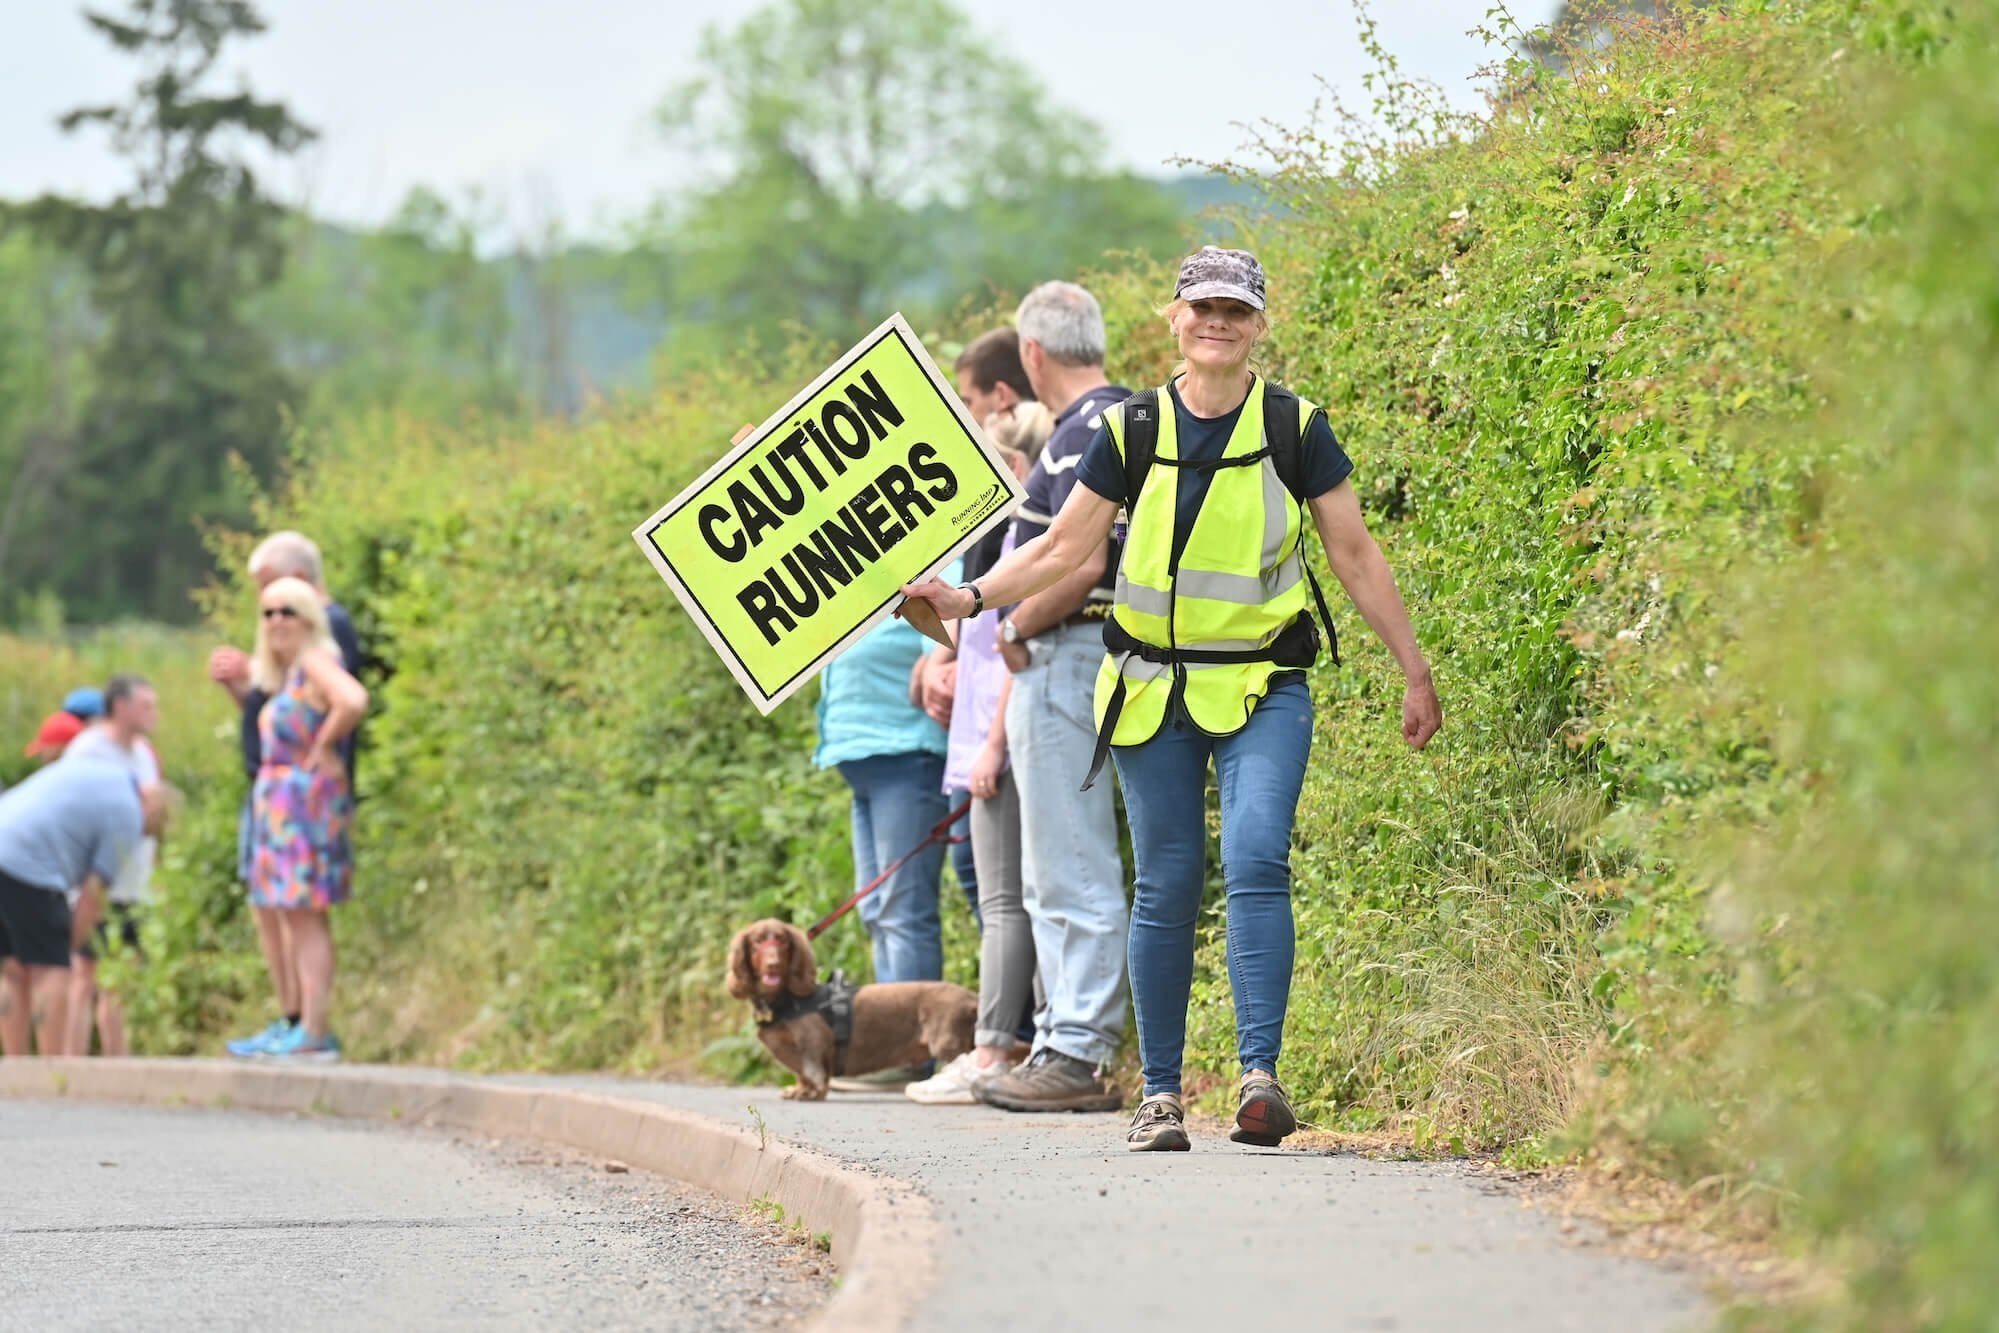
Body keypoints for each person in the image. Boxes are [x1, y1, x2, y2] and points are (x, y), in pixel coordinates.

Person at [902, 246, 1442, 1151]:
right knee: (1167, 882)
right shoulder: (1132, 431)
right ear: (1174, 319)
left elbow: (1353, 553)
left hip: (1264, 678)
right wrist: (965, 599)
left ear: (1259, 323)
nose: (1218, 322)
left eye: (1236, 309)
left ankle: (1258, 1075)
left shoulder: (1293, 426)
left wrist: (1414, 669)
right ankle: (1159, 1095)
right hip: (1150, 684)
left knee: (1260, 852)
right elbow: (1063, 549)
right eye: (1203, 308)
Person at [961, 281, 1133, 1116]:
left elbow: (1083, 558)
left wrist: (1014, 623)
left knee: (1067, 861)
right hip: (1096, 656)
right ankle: (1069, 1036)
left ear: (1030, 354)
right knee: (1061, 865)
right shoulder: (1122, 416)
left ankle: (1077, 1047)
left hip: (1068, 656)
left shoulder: (1080, 433)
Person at [907, 339, 1055, 1105]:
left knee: (1009, 898)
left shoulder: (1027, 529)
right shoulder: (1005, 527)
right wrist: (930, 660)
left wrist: (993, 741)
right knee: (1003, 893)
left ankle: (999, 1047)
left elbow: (1015, 641)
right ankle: (1009, 1042)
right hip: (978, 732)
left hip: (999, 730)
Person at [210, 531, 364, 1058]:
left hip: (304, 808)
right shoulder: (288, 672)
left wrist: (324, 747)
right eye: (268, 613)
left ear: (306, 613)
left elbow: (352, 699)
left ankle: (313, 1029)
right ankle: (301, 1024)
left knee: (304, 915)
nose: (275, 620)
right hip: (282, 807)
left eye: (285, 611)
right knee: (291, 916)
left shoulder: (318, 658)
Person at [0, 739, 161, 1056]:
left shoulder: (104, 779)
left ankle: (15, 1069)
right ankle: (52, 1069)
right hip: (30, 863)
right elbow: (92, 896)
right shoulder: (129, 812)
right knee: (52, 969)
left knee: (12, 968)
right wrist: (67, 946)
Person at [61, 675, 164, 1057]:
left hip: (132, 879)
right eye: (146, 705)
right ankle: (70, 1061)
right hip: (94, 879)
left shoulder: (143, 753)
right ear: (120, 707)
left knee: (121, 976)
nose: (153, 715)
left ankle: (115, 1060)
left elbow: (152, 810)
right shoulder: (88, 750)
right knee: (84, 972)